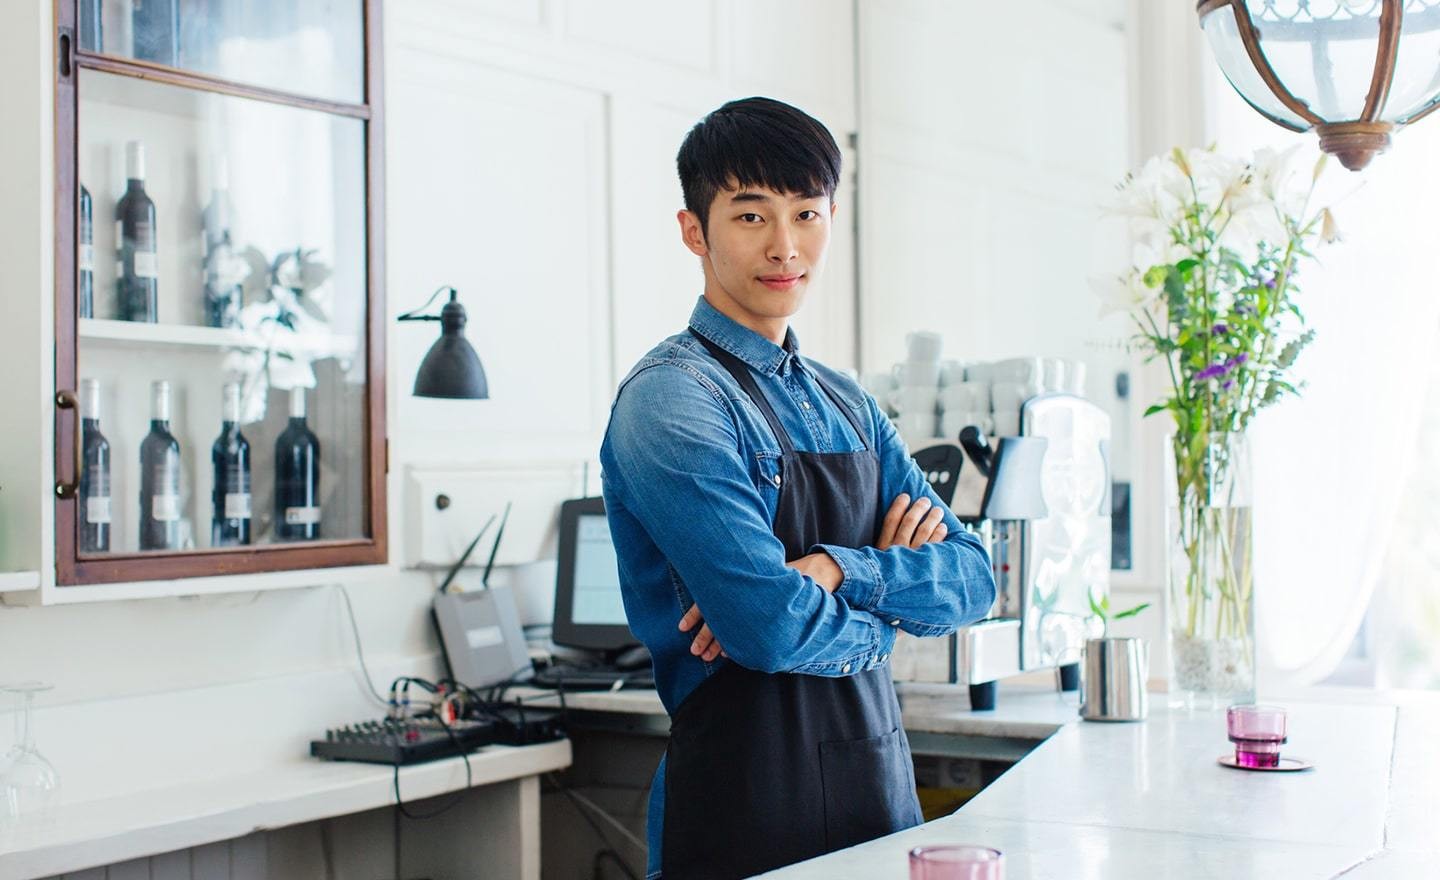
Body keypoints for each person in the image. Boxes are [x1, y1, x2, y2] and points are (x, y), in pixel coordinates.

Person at [599, 96, 996, 880]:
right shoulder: (672, 399)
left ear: (831, 218)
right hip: (741, 814)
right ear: (694, 231)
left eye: (806, 214)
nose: (785, 246)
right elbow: (770, 627)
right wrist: (889, 625)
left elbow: (976, 578)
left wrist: (839, 571)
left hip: (878, 801)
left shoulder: (849, 402)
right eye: (751, 216)